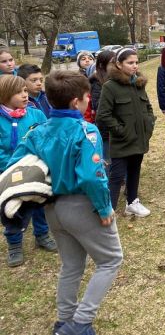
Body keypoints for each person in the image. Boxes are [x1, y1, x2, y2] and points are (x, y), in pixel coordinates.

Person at [8, 70, 122, 334]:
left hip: (52, 209)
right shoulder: (85, 130)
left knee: (71, 265)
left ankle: (64, 319)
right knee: (111, 260)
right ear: (77, 102)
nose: (88, 102)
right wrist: (104, 208)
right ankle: (80, 323)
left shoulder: (37, 131)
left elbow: (16, 166)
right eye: (86, 98)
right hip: (82, 206)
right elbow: (92, 177)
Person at [0, 75, 55, 267]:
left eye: (25, 90)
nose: (24, 95)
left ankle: (42, 234)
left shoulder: (36, 114)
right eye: (18, 92)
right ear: (4, 95)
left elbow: (46, 137)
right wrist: (13, 166)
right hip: (10, 173)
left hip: (35, 171)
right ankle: (14, 243)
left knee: (39, 204)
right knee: (14, 210)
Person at [96, 48, 155, 217]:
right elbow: (103, 115)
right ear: (119, 64)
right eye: (130, 63)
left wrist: (149, 124)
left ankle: (132, 202)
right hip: (122, 141)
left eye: (136, 62)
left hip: (140, 138)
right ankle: (109, 210)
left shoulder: (138, 83)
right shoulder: (110, 87)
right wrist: (120, 131)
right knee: (116, 176)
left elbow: (148, 107)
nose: (134, 66)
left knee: (135, 170)